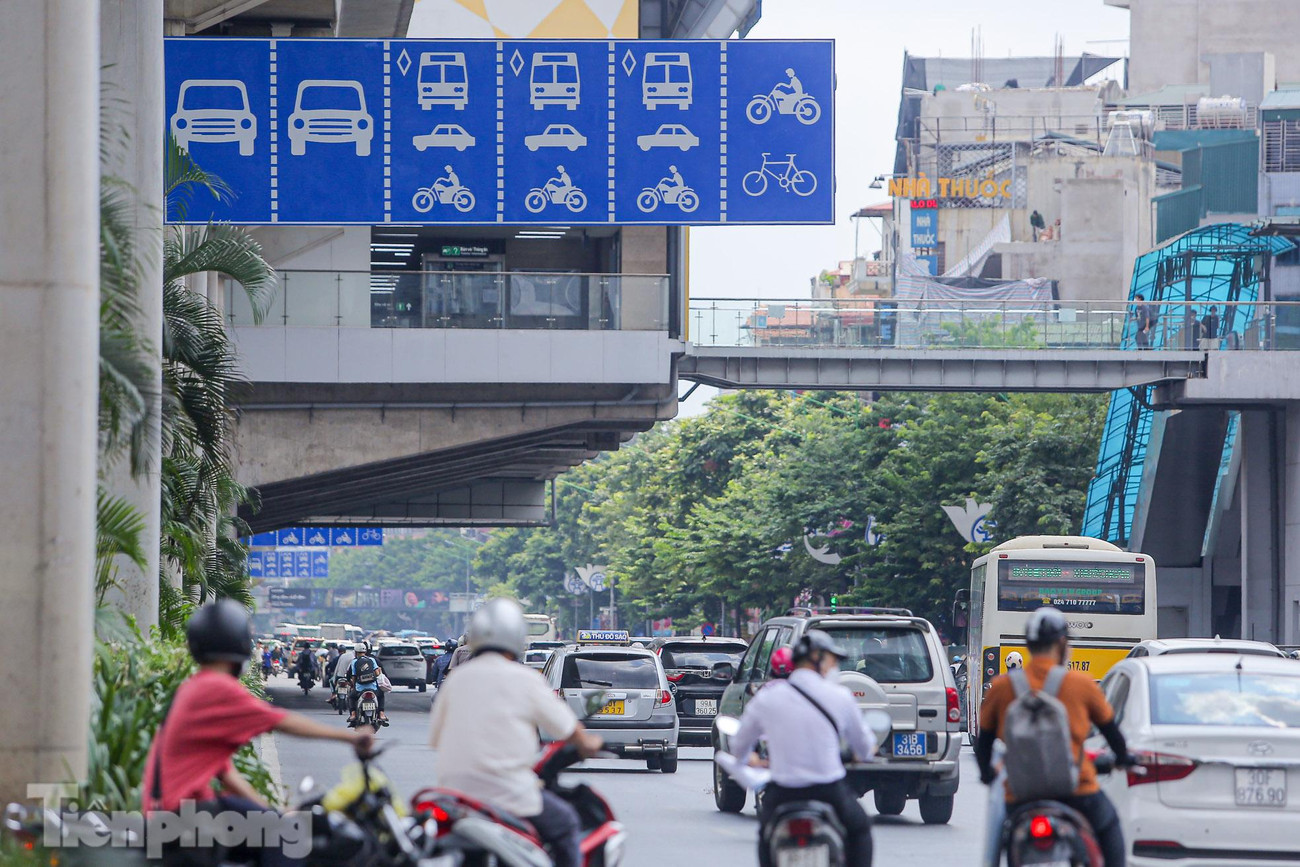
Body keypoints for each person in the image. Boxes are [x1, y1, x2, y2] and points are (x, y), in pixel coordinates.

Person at [142, 601, 372, 867]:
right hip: (186, 816)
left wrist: (271, 811)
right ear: (240, 644)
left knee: (271, 826)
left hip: (167, 817)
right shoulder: (218, 687)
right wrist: (352, 737)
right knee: (288, 836)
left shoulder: (194, 688)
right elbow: (282, 721)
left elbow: (226, 774)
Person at [430, 599, 603, 867]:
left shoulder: (455, 681)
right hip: (508, 794)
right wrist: (590, 743)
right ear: (516, 638)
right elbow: (570, 730)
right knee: (567, 821)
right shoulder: (525, 679)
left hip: (454, 798)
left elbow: (436, 739)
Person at [975, 608, 1131, 867]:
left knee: (996, 838)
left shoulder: (1002, 688)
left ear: (1029, 645)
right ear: (1062, 644)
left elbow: (984, 743)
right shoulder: (1082, 685)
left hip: (1020, 795)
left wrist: (986, 774)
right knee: (1109, 826)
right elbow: (1113, 734)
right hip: (1078, 791)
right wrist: (1124, 758)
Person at [728, 630, 877, 867]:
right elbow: (865, 747)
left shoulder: (768, 697)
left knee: (766, 837)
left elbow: (739, 745)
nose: (833, 667)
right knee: (860, 830)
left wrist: (751, 758)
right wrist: (866, 752)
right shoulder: (840, 696)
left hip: (782, 792)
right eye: (831, 660)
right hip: (829, 790)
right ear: (817, 658)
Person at [347, 643, 389, 726]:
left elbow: (354, 676)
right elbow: (377, 673)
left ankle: (353, 714)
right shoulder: (372, 660)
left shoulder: (354, 662)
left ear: (356, 652)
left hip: (359, 689)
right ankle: (381, 713)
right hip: (373, 688)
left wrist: (354, 686)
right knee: (381, 695)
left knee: (351, 697)